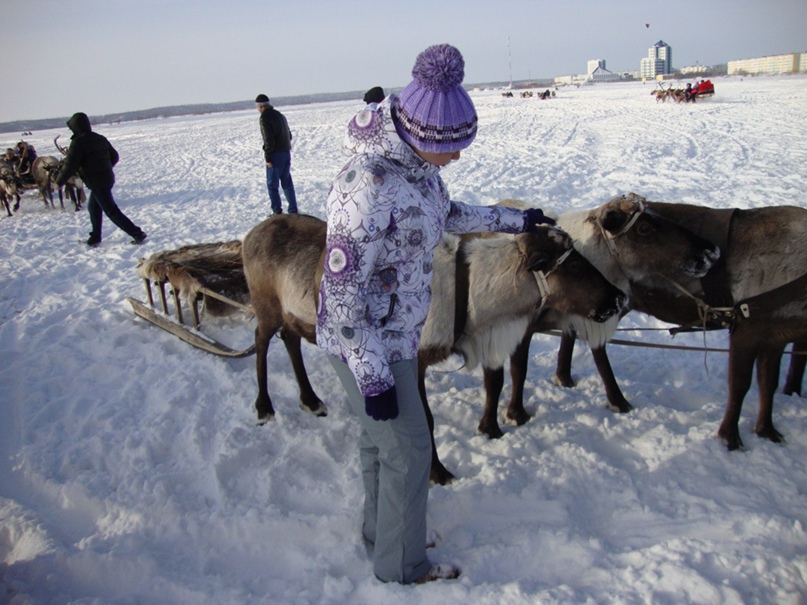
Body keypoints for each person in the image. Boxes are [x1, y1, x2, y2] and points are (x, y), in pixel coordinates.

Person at [316, 43, 555, 585]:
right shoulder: (366, 187)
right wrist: (372, 375)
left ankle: (385, 534)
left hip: (398, 333)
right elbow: (343, 293)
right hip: (360, 340)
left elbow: (446, 214)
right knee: (409, 447)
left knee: (381, 442)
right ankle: (402, 566)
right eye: (454, 148)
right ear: (423, 135)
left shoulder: (419, 170)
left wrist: (515, 222)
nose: (459, 157)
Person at [55, 112, 147, 247]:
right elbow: (115, 156)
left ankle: (137, 233)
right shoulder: (99, 138)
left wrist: (59, 182)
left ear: (75, 127)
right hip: (106, 179)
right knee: (93, 208)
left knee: (111, 211)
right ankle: (95, 237)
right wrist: (106, 168)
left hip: (97, 182)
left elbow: (70, 165)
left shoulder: (78, 143)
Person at [255, 93, 298, 215]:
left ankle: (277, 211)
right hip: (286, 152)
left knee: (272, 185)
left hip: (275, 155)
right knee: (286, 182)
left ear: (260, 106)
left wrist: (268, 157)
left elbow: (268, 140)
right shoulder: (280, 115)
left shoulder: (264, 118)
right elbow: (289, 135)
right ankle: (293, 209)